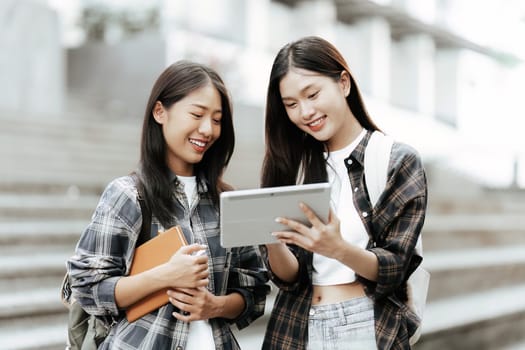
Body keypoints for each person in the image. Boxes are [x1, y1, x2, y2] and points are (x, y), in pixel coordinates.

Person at [67, 60, 269, 350]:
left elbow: (254, 291)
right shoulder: (128, 195)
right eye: (197, 114)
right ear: (160, 112)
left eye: (216, 119)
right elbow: (88, 288)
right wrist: (164, 276)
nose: (207, 129)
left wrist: (214, 305)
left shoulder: (226, 202)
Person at [260, 36, 428, 349]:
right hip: (296, 328)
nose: (305, 112)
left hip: (364, 327)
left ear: (344, 83)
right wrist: (269, 240)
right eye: (291, 105)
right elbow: (291, 277)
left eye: (312, 94)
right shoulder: (292, 166)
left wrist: (337, 248)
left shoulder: (395, 161)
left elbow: (395, 267)